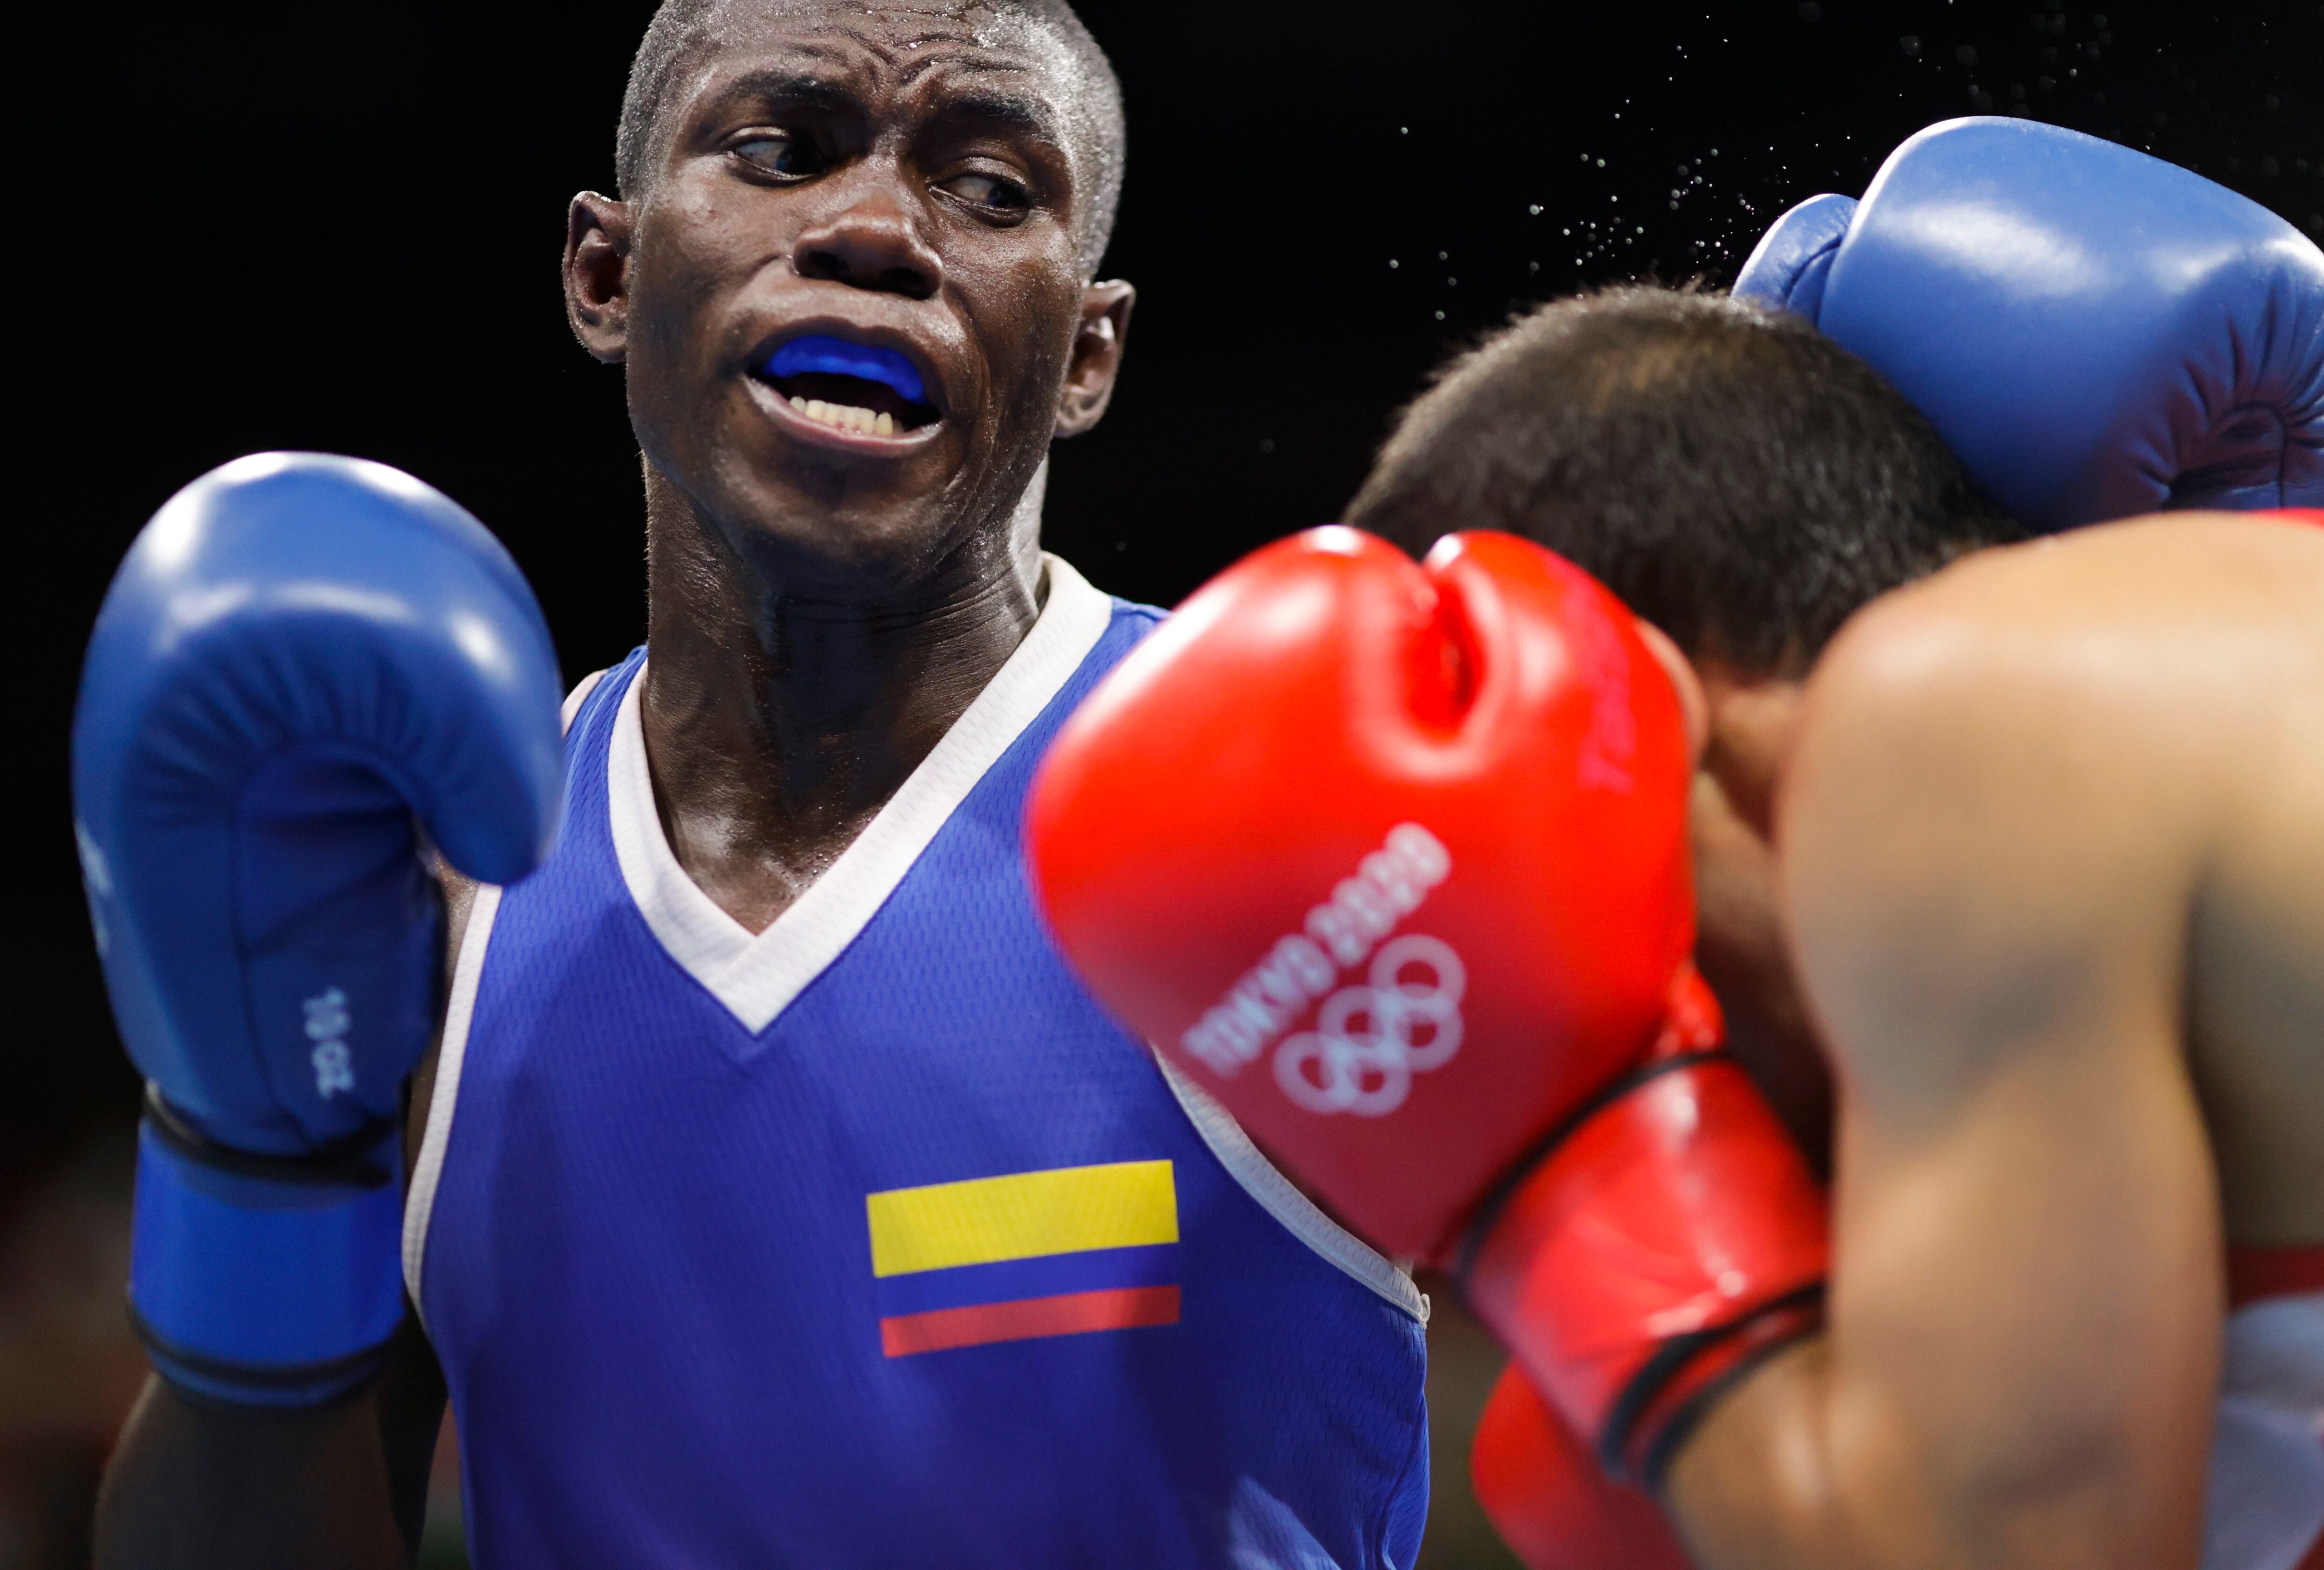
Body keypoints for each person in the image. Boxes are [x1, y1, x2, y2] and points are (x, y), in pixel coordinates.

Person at [83, 3, 1431, 1566]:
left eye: (991, 189)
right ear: (605, 273)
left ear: (1089, 352)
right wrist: (251, 1161)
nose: (871, 230)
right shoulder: (443, 906)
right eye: (777, 151)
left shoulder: (1299, 817)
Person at [1027, 119, 2322, 1570]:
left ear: (1652, 703)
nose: (1665, 1023)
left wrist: (1566, 1181)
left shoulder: (1957, 712)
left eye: (1605, 932)